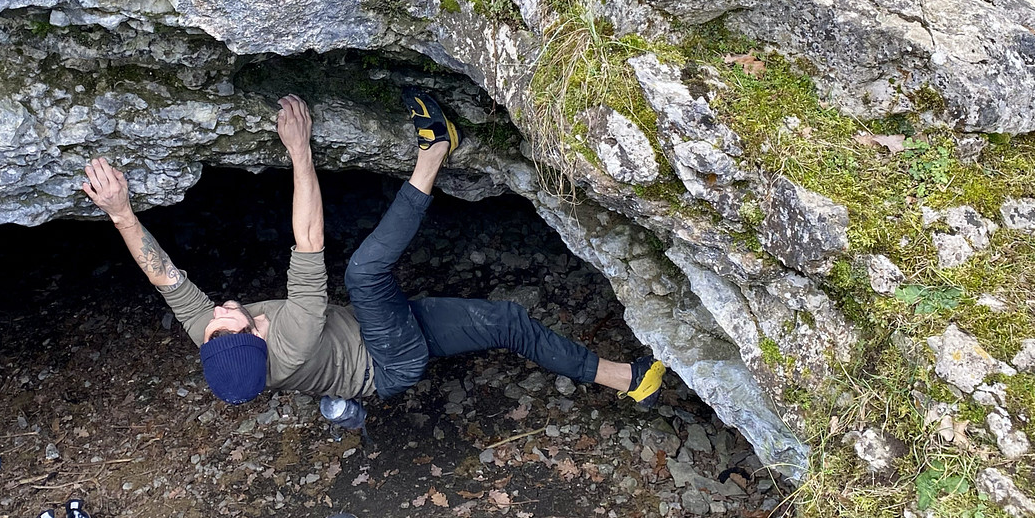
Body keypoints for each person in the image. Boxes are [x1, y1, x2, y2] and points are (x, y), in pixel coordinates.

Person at [81, 91, 664, 418]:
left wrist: (120, 211)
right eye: (231, 321)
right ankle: (435, 151)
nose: (220, 310)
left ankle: (629, 380)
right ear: (259, 339)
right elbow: (309, 239)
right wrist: (300, 150)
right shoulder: (291, 341)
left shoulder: (216, 340)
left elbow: (164, 276)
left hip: (374, 336)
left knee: (508, 321)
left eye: (214, 327)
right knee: (364, 271)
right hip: (388, 361)